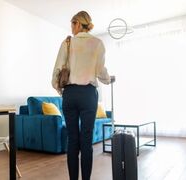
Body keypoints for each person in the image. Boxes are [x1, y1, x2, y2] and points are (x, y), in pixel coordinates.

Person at [52, 11, 115, 180]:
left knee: (72, 140)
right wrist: (109, 80)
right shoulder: (98, 43)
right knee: (86, 141)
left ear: (78, 24)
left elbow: (57, 71)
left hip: (70, 94)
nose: (71, 29)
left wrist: (62, 91)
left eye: (73, 24)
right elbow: (101, 72)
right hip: (88, 94)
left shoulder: (67, 43)